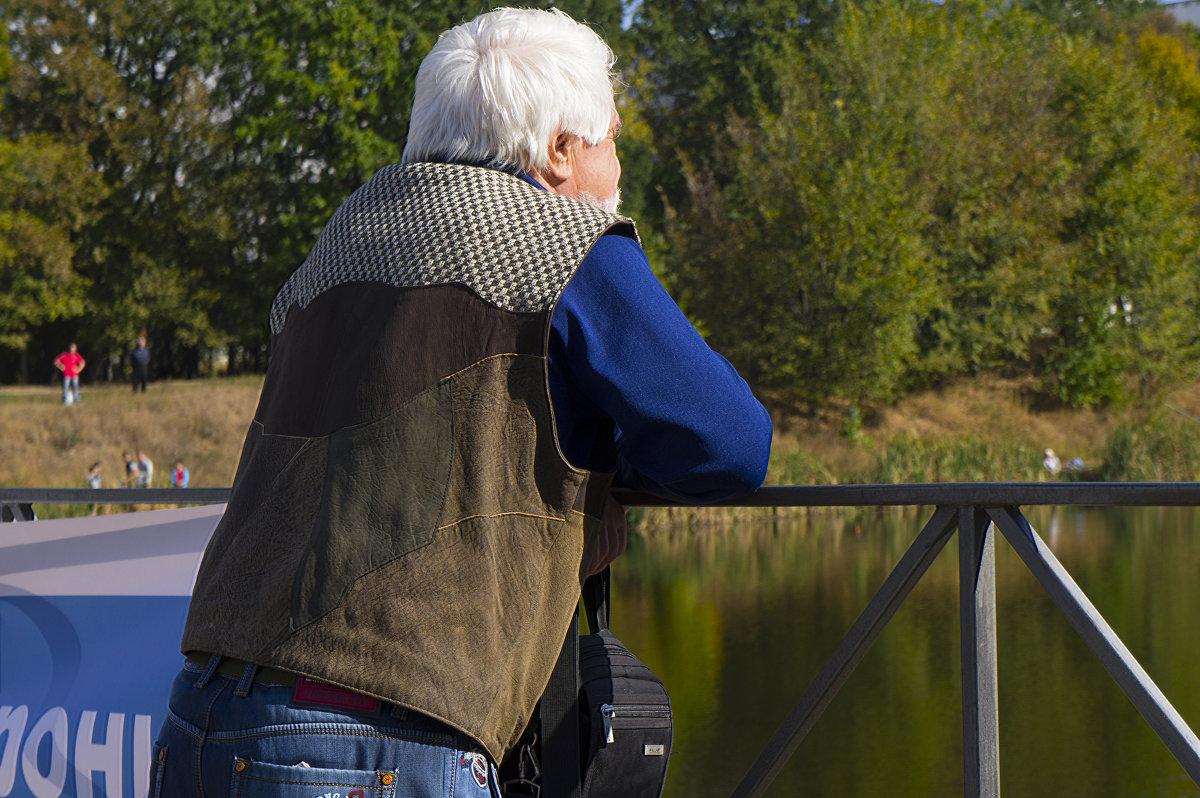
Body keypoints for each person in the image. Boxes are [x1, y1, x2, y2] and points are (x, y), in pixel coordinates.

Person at [151, 9, 772, 797]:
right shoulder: (563, 239)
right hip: (373, 740)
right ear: (558, 151)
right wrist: (605, 473)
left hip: (203, 711)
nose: (619, 171)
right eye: (611, 142)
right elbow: (731, 443)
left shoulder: (341, 236)